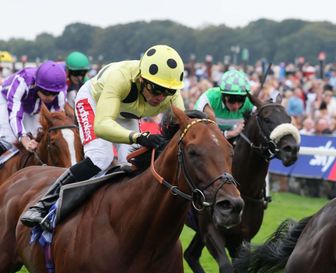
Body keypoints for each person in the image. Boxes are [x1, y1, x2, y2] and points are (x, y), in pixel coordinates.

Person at [20, 44, 186, 229]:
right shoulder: (120, 77)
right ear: (141, 79)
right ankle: (43, 205)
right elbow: (102, 126)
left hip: (126, 114)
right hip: (94, 102)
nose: (161, 97)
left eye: (168, 92)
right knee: (101, 157)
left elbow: (183, 127)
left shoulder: (172, 92)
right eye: (156, 90)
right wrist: (138, 137)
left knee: (131, 165)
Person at [0, 60, 67, 155]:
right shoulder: (23, 80)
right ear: (37, 84)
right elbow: (15, 114)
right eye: (47, 92)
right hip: (6, 100)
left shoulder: (60, 91)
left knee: (35, 138)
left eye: (54, 94)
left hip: (32, 106)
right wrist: (24, 139)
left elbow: (57, 120)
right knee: (11, 141)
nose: (51, 98)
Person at [194, 69, 253, 140]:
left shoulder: (249, 101)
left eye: (241, 100)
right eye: (232, 100)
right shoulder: (209, 98)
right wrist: (230, 133)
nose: (236, 106)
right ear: (223, 95)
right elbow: (200, 133)